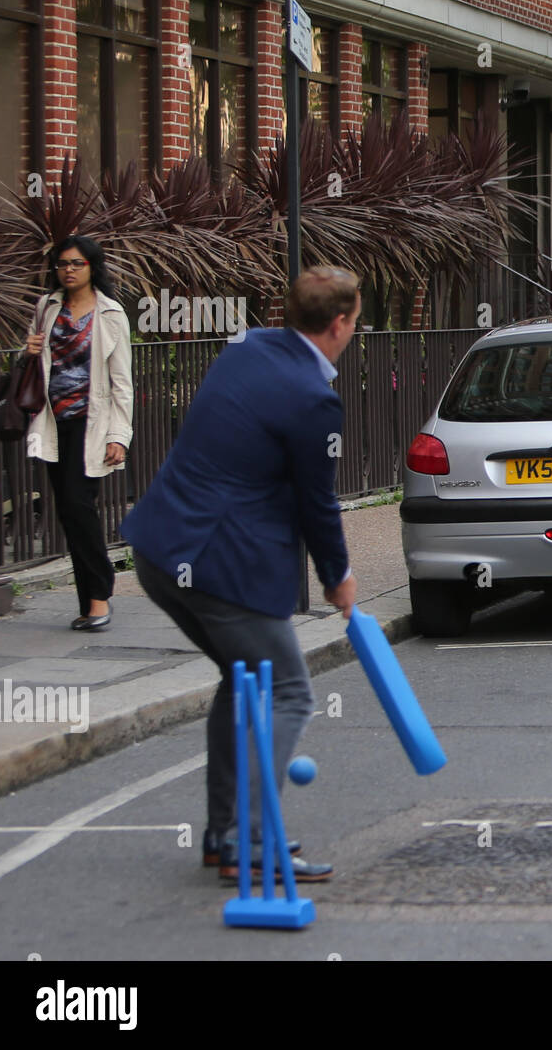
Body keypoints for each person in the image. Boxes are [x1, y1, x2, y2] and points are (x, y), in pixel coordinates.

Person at [121, 266, 360, 884]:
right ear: (339, 324)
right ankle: (250, 844)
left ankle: (224, 836)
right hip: (218, 563)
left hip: (158, 547)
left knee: (242, 677)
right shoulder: (314, 398)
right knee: (288, 690)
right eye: (354, 322)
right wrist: (338, 576)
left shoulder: (245, 347)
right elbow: (318, 502)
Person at [25, 236, 134, 630]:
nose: (68, 270)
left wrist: (119, 435)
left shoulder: (110, 314)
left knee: (77, 506)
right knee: (70, 512)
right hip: (54, 424)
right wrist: (30, 350)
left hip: (93, 425)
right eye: (62, 264)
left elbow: (122, 382)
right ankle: (90, 601)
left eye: (76, 263)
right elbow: (35, 365)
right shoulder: (47, 306)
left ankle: (100, 597)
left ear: (92, 267)